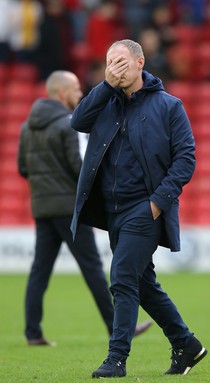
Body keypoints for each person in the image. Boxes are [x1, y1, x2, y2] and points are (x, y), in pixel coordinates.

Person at [70, 39, 208, 378]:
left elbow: (186, 158)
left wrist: (157, 204)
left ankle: (116, 359)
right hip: (113, 211)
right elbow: (77, 121)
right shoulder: (105, 101)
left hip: (144, 209)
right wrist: (105, 85)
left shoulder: (169, 106)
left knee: (122, 278)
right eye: (110, 62)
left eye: (122, 61)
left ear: (140, 62)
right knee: (143, 284)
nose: (116, 67)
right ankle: (187, 344)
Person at [17, 70, 152, 346]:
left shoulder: (26, 126)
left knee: (39, 270)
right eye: (76, 89)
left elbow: (22, 167)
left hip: (42, 207)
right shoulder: (66, 124)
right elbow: (80, 167)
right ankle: (118, 328)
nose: (80, 94)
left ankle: (33, 332)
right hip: (68, 209)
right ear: (62, 93)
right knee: (92, 268)